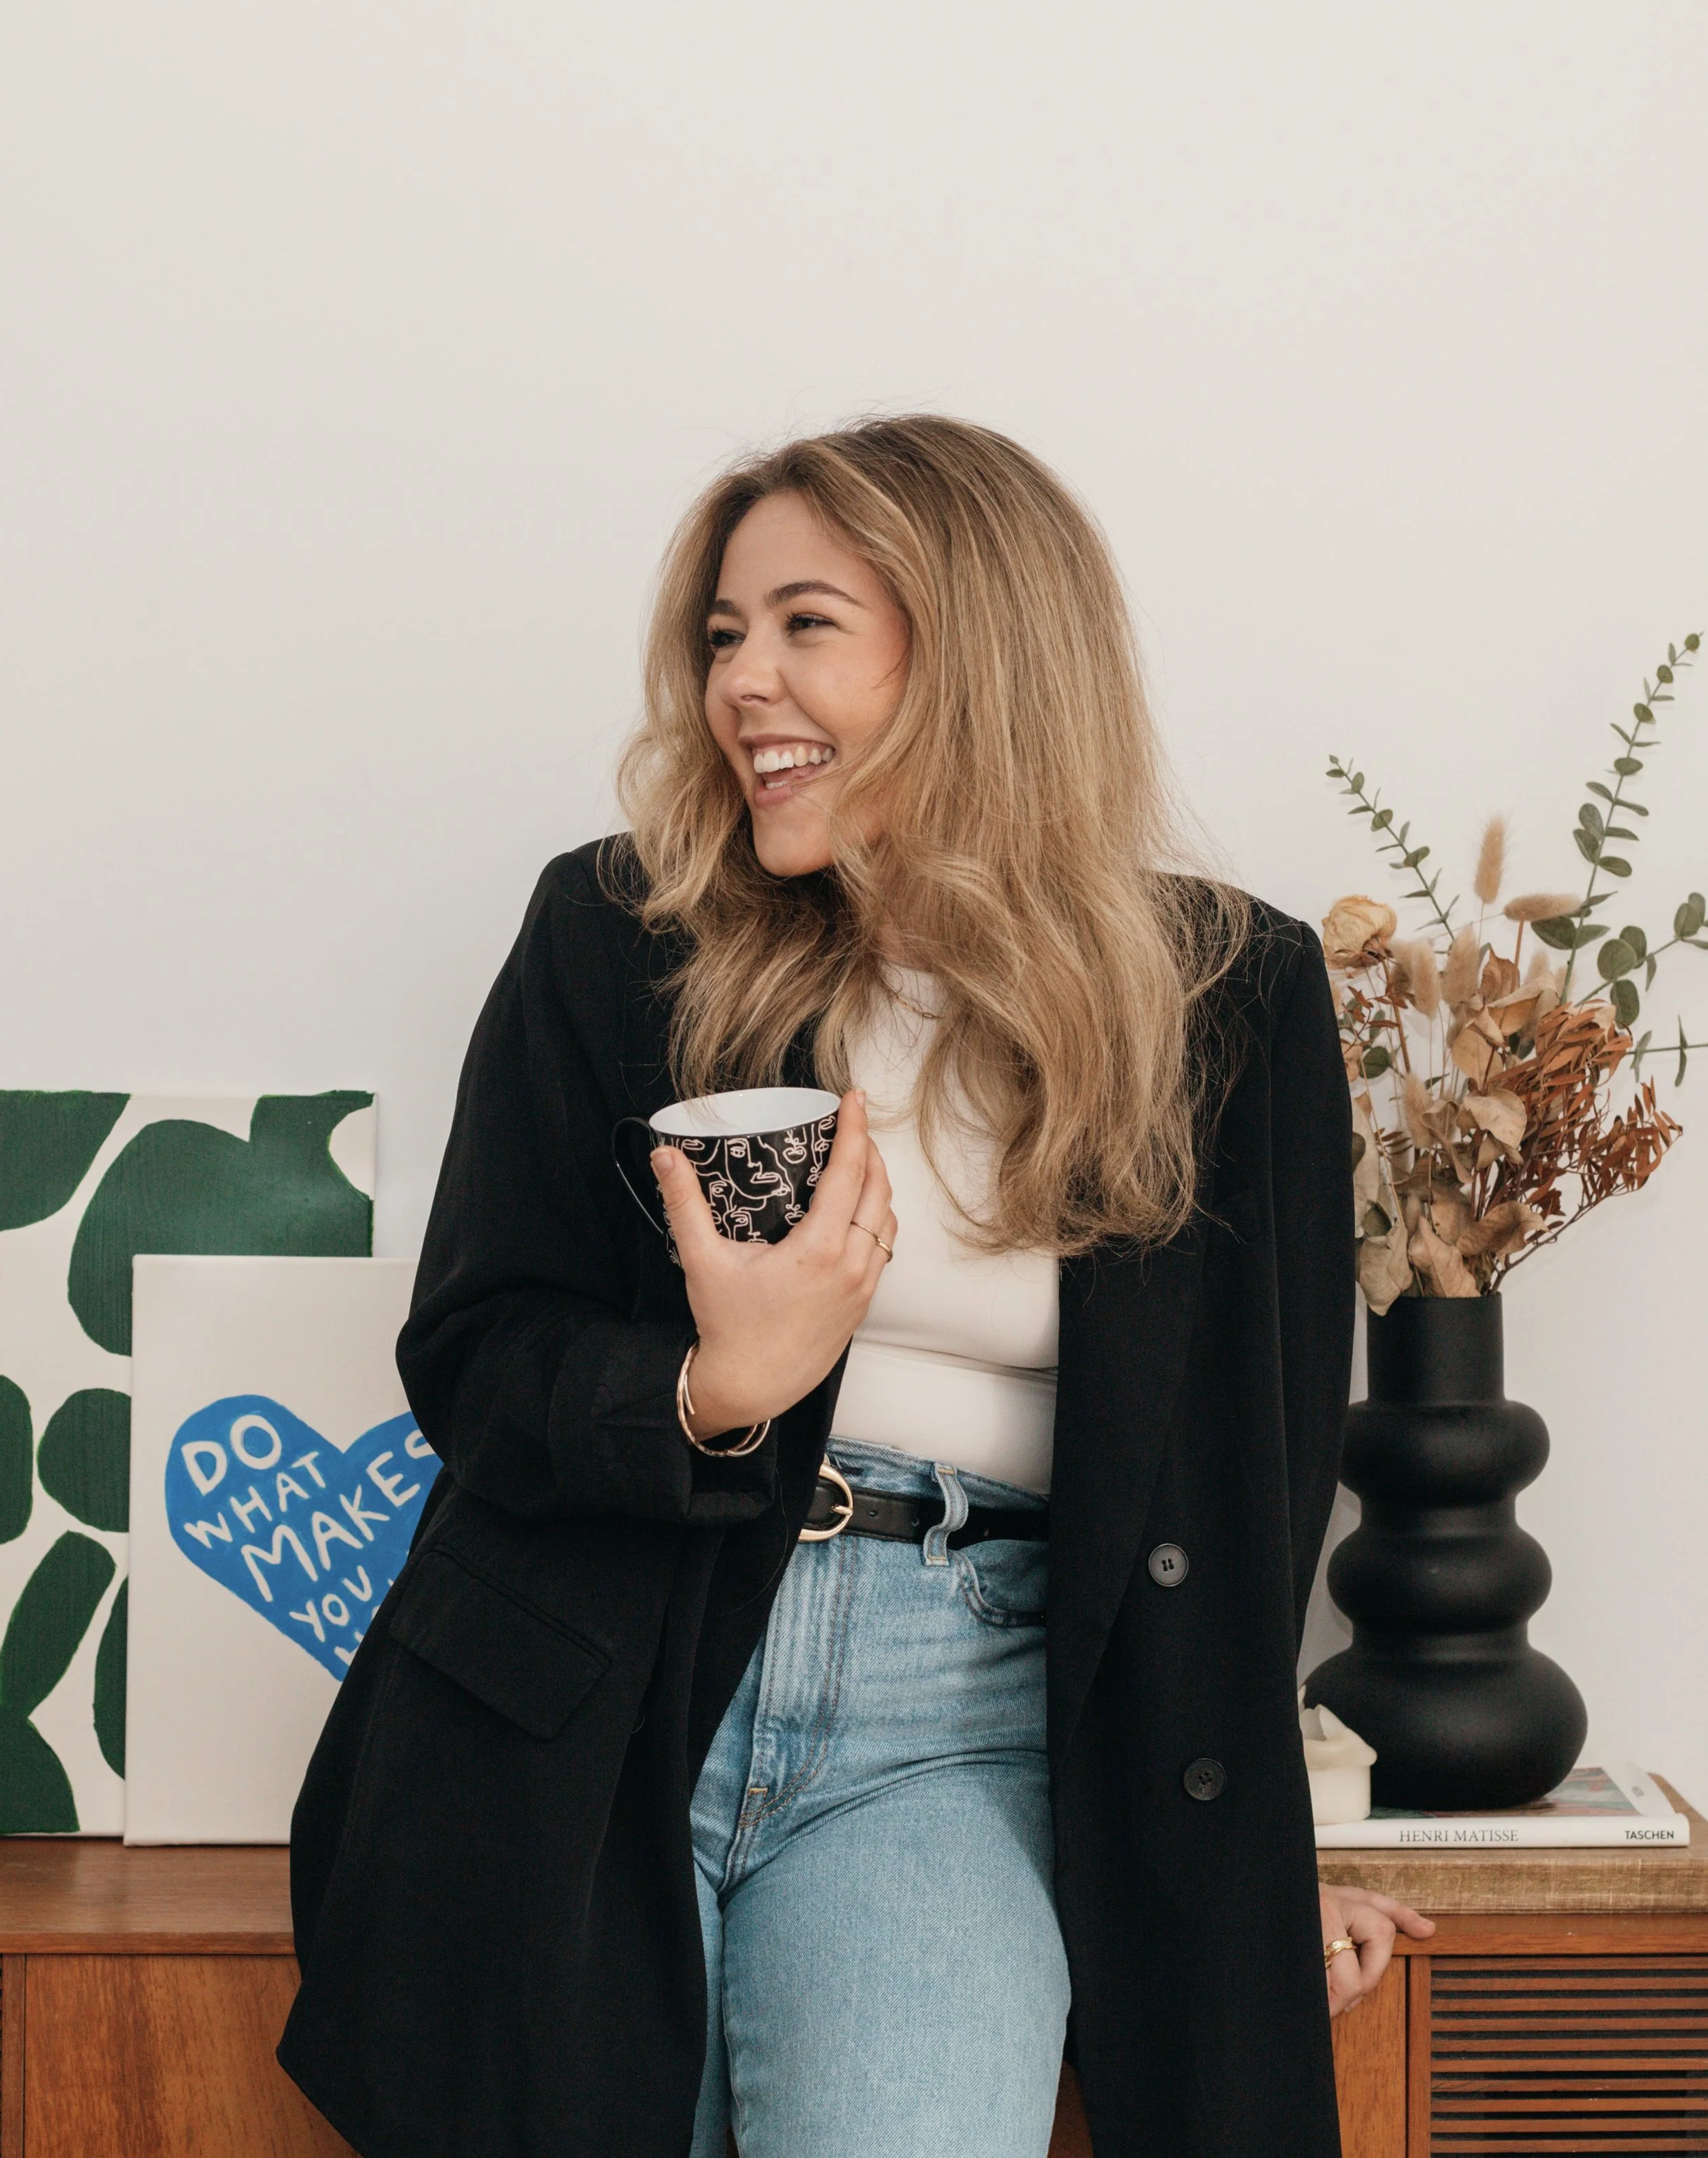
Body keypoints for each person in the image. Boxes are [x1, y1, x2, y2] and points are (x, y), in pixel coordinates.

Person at [278, 414, 1431, 2158]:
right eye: (723, 634)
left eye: (804, 624)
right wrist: (709, 1388)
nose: (743, 682)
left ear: (978, 649)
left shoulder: (1225, 997)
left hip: (964, 1719)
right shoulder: (617, 933)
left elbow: (1245, 1490)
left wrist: (1250, 1842)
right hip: (594, 1681)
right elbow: (474, 1347)